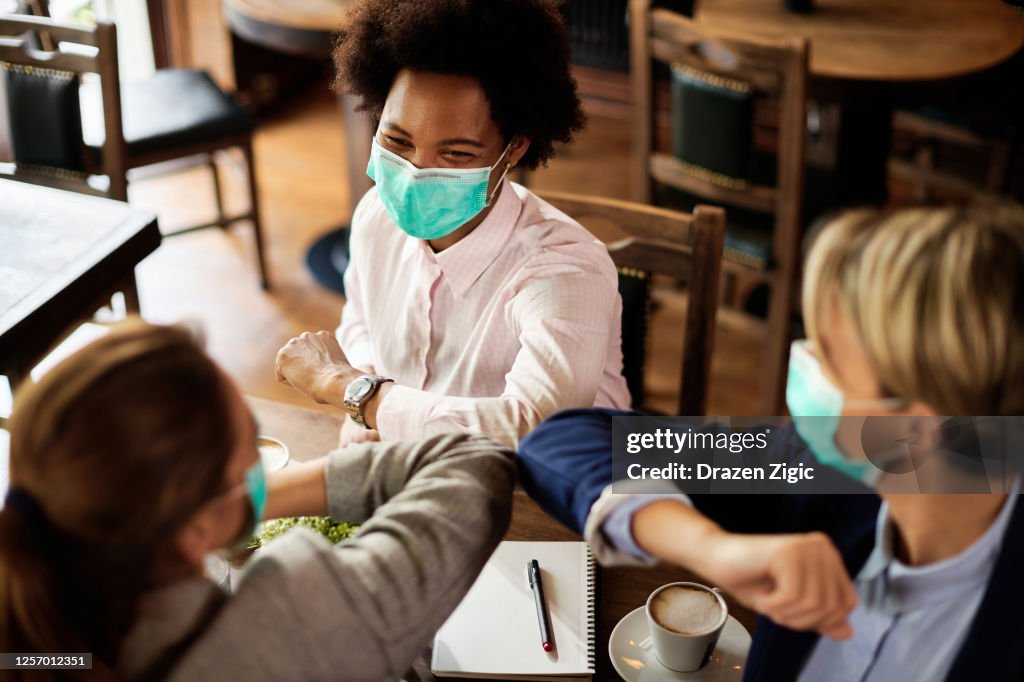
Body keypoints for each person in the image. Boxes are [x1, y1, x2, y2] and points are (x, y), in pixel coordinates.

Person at [516, 202, 1024, 681]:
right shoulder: (819, 473)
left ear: (914, 425)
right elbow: (563, 442)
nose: (801, 362)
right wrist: (713, 550)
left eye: (827, 356)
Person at [0, 320, 515, 681]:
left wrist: (214, 508)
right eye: (251, 440)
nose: (257, 464)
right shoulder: (290, 626)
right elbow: (474, 463)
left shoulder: (36, 650)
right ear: (194, 528)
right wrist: (248, 503)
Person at [274, 0, 630, 448]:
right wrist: (366, 409)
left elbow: (534, 428)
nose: (416, 173)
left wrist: (355, 393)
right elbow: (361, 323)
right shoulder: (374, 217)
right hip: (417, 473)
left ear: (514, 149)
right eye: (397, 140)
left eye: (456, 155)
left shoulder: (563, 271)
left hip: (554, 495)